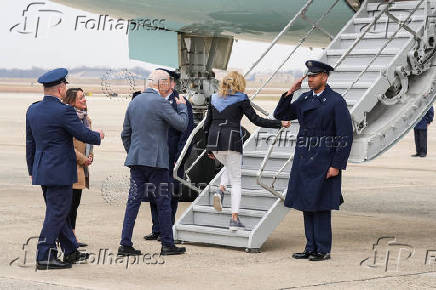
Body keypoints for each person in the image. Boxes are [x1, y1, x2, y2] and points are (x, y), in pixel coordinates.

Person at [273, 60, 353, 261]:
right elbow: (281, 114)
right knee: (306, 204)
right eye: (308, 76)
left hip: (324, 159)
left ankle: (323, 249)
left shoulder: (336, 101)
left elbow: (345, 135)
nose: (310, 79)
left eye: (314, 76)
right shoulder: (305, 98)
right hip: (304, 158)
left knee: (321, 205)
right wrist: (291, 92)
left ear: (324, 77)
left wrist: (336, 164)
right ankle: (310, 247)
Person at [26, 68, 104, 270]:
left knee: (57, 212)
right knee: (57, 214)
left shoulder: (32, 109)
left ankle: (71, 251)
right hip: (60, 170)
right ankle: (44, 256)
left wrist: (31, 167)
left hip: (42, 168)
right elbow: (82, 134)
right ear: (61, 89)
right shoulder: (64, 111)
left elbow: (30, 143)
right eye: (65, 86)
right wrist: (98, 135)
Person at [205, 71, 289, 230]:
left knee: (228, 166)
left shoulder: (213, 98)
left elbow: (206, 124)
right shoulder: (241, 99)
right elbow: (256, 120)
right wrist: (279, 123)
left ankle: (221, 190)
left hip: (214, 142)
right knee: (236, 180)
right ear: (239, 84)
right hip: (232, 141)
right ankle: (234, 219)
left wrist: (208, 147)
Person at [119, 69, 188, 256]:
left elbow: (125, 133)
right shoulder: (160, 103)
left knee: (133, 202)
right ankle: (167, 244)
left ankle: (125, 244)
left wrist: (133, 152)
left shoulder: (135, 101)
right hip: (157, 163)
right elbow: (181, 124)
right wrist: (181, 107)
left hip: (136, 162)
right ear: (162, 84)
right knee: (163, 202)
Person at [144, 68, 194, 242]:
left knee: (171, 194)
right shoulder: (152, 100)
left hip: (172, 157)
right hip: (153, 157)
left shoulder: (182, 102)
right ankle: (157, 228)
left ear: (172, 83)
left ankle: (168, 229)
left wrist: (179, 159)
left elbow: (187, 133)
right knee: (153, 192)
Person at [63, 88, 94, 248]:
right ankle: (68, 238)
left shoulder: (86, 119)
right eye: (81, 98)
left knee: (75, 204)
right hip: (72, 167)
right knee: (68, 205)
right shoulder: (69, 119)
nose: (84, 100)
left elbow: (89, 142)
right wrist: (83, 159)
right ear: (71, 101)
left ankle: (72, 234)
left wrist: (90, 156)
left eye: (84, 97)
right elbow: (67, 145)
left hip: (83, 168)